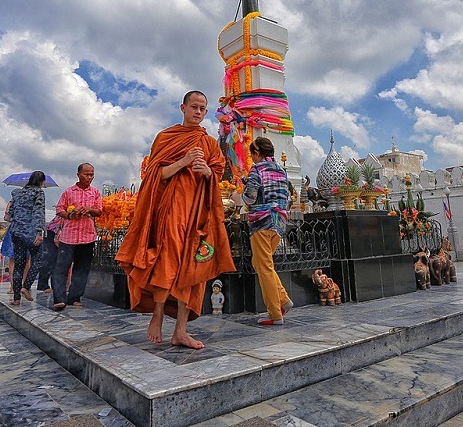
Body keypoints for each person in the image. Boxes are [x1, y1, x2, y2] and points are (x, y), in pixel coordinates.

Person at [115, 90, 235, 348]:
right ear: (183, 107)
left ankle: (181, 330)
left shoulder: (210, 144)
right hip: (171, 212)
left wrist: (206, 174)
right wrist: (185, 161)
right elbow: (155, 176)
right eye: (194, 106)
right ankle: (157, 315)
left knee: (193, 268)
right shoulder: (166, 137)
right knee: (167, 261)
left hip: (197, 215)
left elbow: (217, 175)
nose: (199, 112)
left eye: (203, 108)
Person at [242, 137, 293, 325]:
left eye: (252, 154)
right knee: (261, 263)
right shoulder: (281, 170)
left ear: (257, 153)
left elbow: (250, 197)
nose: (252, 158)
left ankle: (275, 314)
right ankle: (284, 300)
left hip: (261, 222)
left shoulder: (257, 169)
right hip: (279, 223)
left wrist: (241, 193)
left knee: (264, 267)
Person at [52, 163, 102, 310]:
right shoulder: (68, 192)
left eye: (92, 174)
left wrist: (90, 210)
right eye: (86, 174)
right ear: (78, 174)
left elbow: (99, 211)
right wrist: (70, 215)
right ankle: (59, 298)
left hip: (87, 236)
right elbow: (59, 210)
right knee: (61, 268)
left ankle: (74, 297)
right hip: (69, 236)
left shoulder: (95, 192)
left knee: (81, 269)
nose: (90, 177)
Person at [7, 171, 47, 306]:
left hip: (16, 232)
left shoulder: (17, 194)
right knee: (37, 260)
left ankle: (16, 298)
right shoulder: (39, 193)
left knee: (19, 264)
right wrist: (39, 232)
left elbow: (10, 215)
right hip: (30, 233)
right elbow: (38, 212)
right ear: (41, 182)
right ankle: (26, 286)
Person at [1, 201, 30, 296]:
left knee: (13, 260)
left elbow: (6, 217)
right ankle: (22, 285)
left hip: (14, 231)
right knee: (26, 260)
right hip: (26, 231)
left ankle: (13, 287)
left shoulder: (12, 202)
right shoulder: (32, 203)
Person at [36, 215, 63, 294]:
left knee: (56, 260)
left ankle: (54, 285)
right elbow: (61, 222)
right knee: (50, 259)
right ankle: (43, 285)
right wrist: (57, 236)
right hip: (54, 232)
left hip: (57, 232)